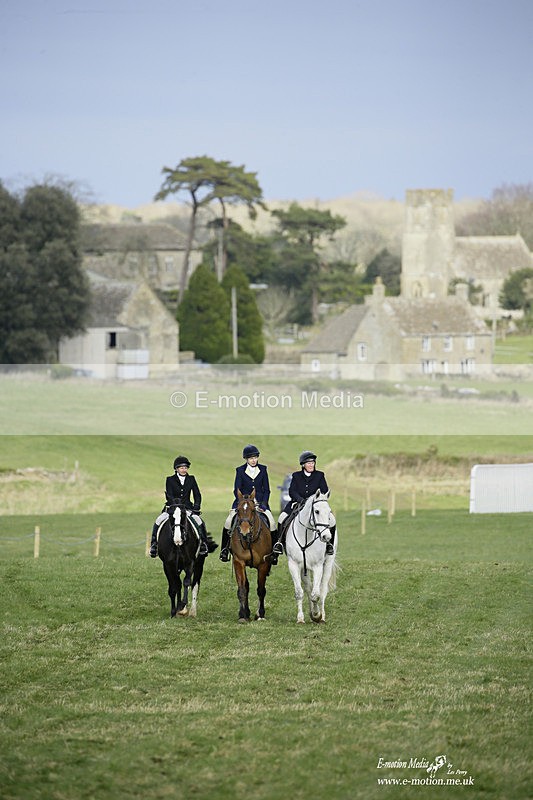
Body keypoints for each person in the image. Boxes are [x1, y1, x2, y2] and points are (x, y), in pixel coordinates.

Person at [271, 450, 336, 560]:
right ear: (303, 464)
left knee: (332, 520)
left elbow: (324, 490)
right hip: (298, 503)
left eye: (313, 462)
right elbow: (292, 491)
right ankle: (279, 544)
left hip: (316, 505)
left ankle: (329, 545)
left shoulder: (320, 475)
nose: (311, 465)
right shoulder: (296, 476)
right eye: (309, 463)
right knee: (282, 518)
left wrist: (318, 499)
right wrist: (301, 500)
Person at [149, 456, 218, 558]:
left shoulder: (191, 479)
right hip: (172, 508)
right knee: (158, 520)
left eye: (185, 467)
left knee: (199, 521)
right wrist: (174, 505)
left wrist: (196, 506)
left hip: (187, 508)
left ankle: (203, 544)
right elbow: (170, 495)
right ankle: (154, 545)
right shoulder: (170, 479)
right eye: (181, 467)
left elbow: (197, 494)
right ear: (176, 469)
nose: (184, 469)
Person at [219, 444, 278, 562]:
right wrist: (242, 502)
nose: (254, 460)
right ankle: (224, 550)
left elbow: (266, 490)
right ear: (246, 459)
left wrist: (264, 504)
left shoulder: (263, 469)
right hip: (243, 504)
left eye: (255, 457)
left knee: (271, 522)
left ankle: (274, 551)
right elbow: (237, 489)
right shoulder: (240, 470)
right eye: (251, 458)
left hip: (260, 503)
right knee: (228, 521)